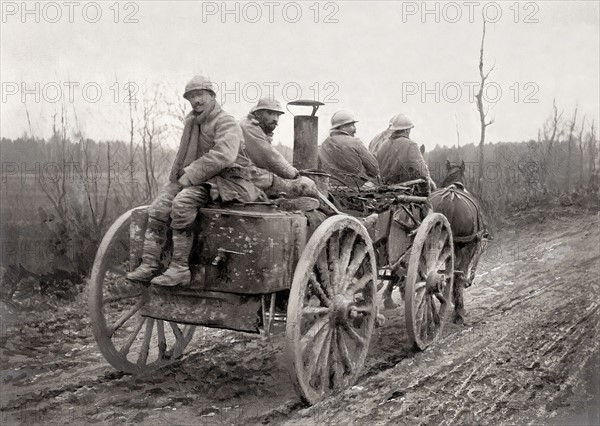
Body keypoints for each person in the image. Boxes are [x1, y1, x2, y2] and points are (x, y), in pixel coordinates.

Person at [127, 75, 265, 287]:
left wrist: (189, 176)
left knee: (182, 203)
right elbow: (182, 155)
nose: (196, 101)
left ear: (211, 96)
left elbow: (224, 156)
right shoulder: (192, 122)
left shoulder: (226, 122)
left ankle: (180, 269)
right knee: (157, 208)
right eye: (191, 97)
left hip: (227, 181)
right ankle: (149, 265)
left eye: (200, 95)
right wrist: (174, 182)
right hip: (198, 179)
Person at [240, 97, 319, 198]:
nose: (275, 119)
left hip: (247, 174)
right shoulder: (249, 127)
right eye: (270, 113)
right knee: (298, 188)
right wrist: (294, 174)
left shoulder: (256, 127)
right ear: (258, 113)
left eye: (277, 115)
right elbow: (269, 157)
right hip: (239, 175)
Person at [374, 114, 436, 192]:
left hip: (385, 192)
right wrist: (427, 192)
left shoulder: (383, 146)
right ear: (406, 130)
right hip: (405, 193)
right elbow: (422, 172)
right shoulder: (410, 145)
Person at [318, 110, 380, 188]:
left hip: (331, 189)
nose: (355, 129)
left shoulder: (324, 144)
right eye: (352, 125)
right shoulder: (355, 142)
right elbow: (374, 168)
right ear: (343, 127)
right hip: (355, 190)